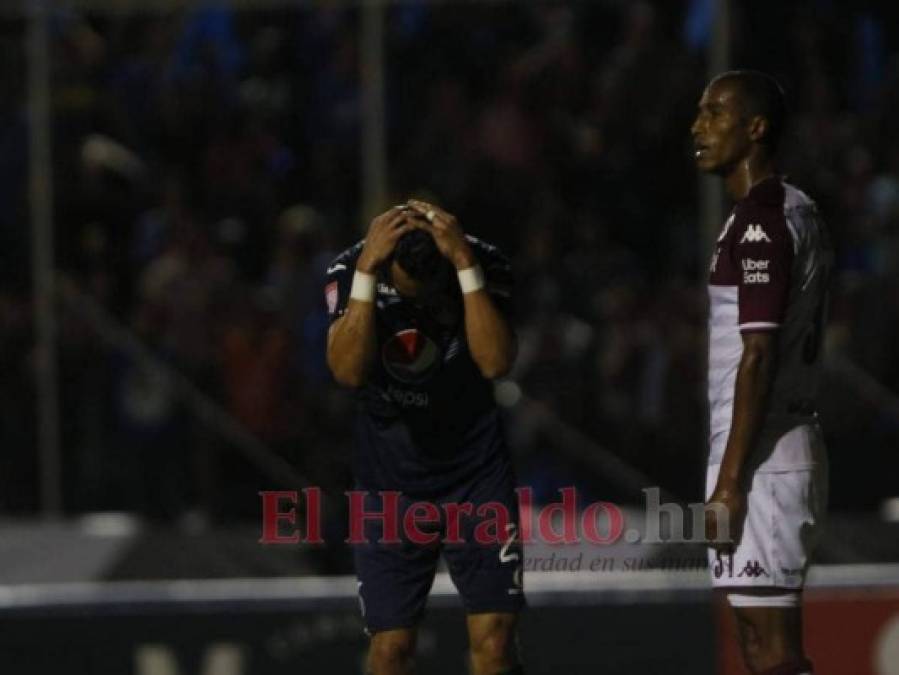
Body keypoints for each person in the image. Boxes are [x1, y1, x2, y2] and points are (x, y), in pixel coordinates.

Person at [325, 199, 525, 675]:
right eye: (405, 292)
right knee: (390, 651)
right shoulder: (352, 267)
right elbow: (347, 371)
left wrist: (465, 270)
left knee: (495, 644)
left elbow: (496, 363)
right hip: (389, 485)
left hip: (475, 477)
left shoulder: (483, 262)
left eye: (428, 293)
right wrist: (369, 275)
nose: (417, 305)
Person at [692, 70, 832, 675]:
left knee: (772, 650)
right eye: (699, 112)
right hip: (770, 446)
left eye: (716, 113)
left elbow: (759, 354)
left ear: (756, 129)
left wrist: (729, 482)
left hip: (763, 456)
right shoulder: (794, 209)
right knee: (756, 642)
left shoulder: (761, 221)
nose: (698, 127)